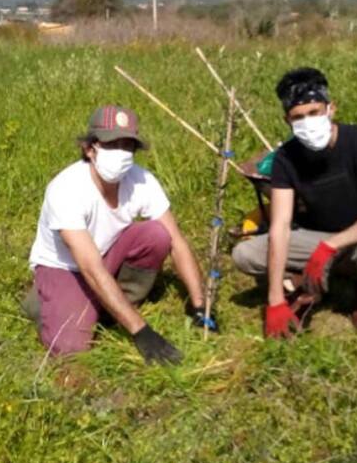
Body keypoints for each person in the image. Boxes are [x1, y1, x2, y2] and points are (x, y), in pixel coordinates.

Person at [26, 105, 217, 364]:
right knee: (72, 348)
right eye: (112, 144)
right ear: (89, 149)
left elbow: (177, 242)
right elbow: (90, 268)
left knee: (157, 234)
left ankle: (111, 306)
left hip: (105, 255)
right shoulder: (66, 189)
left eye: (128, 146)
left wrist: (199, 305)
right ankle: (44, 299)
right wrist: (142, 332)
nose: (122, 154)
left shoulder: (141, 180)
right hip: (66, 267)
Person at [231, 67, 357, 338]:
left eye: (314, 112)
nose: (307, 122)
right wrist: (274, 302)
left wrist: (330, 246)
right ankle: (304, 279)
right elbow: (281, 226)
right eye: (298, 117)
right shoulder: (286, 159)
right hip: (313, 235)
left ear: (331, 109)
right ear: (287, 120)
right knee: (245, 255)